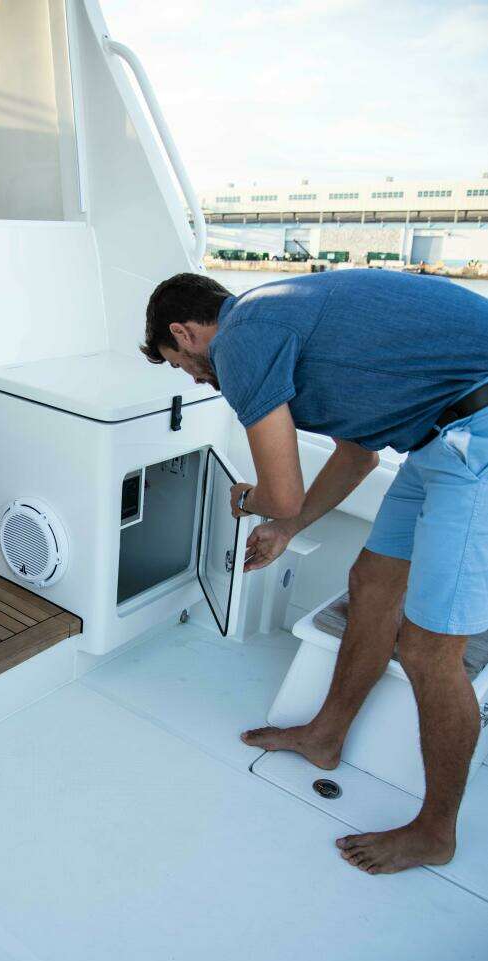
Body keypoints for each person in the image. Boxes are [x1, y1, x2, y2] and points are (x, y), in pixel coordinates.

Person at [141, 269, 488, 875]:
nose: (194, 379)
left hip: (475, 438)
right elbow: (357, 457)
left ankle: (436, 831)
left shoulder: (240, 338)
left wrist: (250, 501)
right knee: (371, 585)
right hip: (438, 438)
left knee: (430, 650)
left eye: (180, 364)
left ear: (186, 333)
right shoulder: (278, 320)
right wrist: (288, 528)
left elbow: (280, 491)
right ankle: (325, 735)